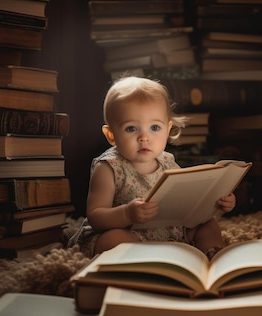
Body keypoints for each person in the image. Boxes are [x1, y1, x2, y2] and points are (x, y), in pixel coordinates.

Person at [68, 76, 236, 259]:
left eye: (154, 127)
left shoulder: (168, 163)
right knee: (114, 239)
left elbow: (192, 203)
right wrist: (127, 214)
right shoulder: (109, 167)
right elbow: (96, 216)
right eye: (131, 129)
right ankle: (145, 262)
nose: (144, 137)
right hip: (130, 234)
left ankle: (211, 258)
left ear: (168, 129)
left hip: (168, 233)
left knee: (208, 225)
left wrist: (217, 202)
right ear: (111, 135)